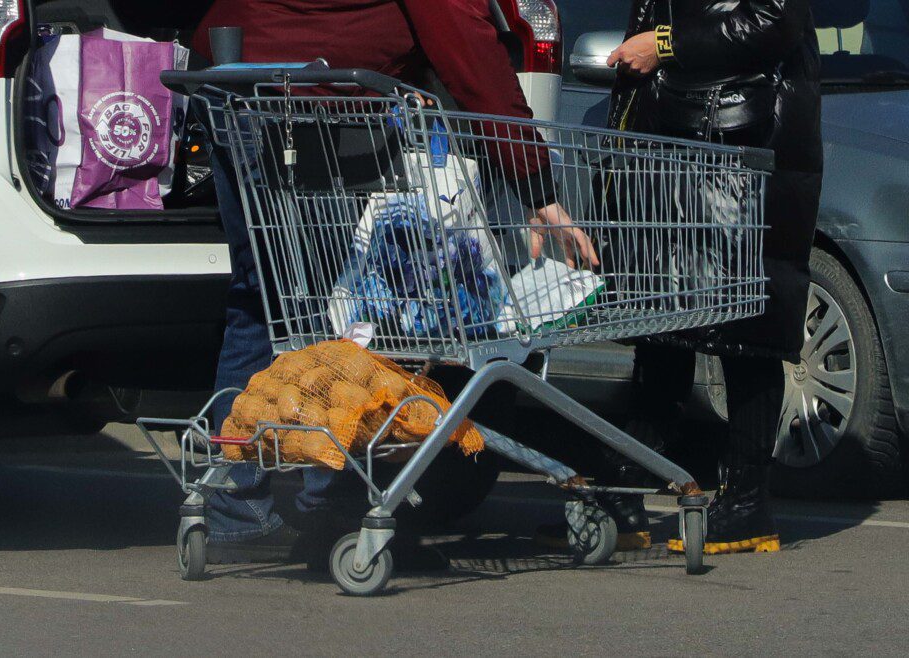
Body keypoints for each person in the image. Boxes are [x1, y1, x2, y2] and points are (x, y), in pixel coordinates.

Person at [194, 0, 598, 564]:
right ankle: (328, 513)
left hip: (233, 89)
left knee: (265, 299)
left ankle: (234, 505)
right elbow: (468, 51)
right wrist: (534, 183)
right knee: (334, 312)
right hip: (318, 110)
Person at [539, 0, 822, 554]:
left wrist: (664, 44)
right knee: (661, 324)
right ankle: (625, 492)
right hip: (678, 133)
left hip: (742, 139)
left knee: (748, 329)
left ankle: (745, 502)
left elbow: (775, 18)